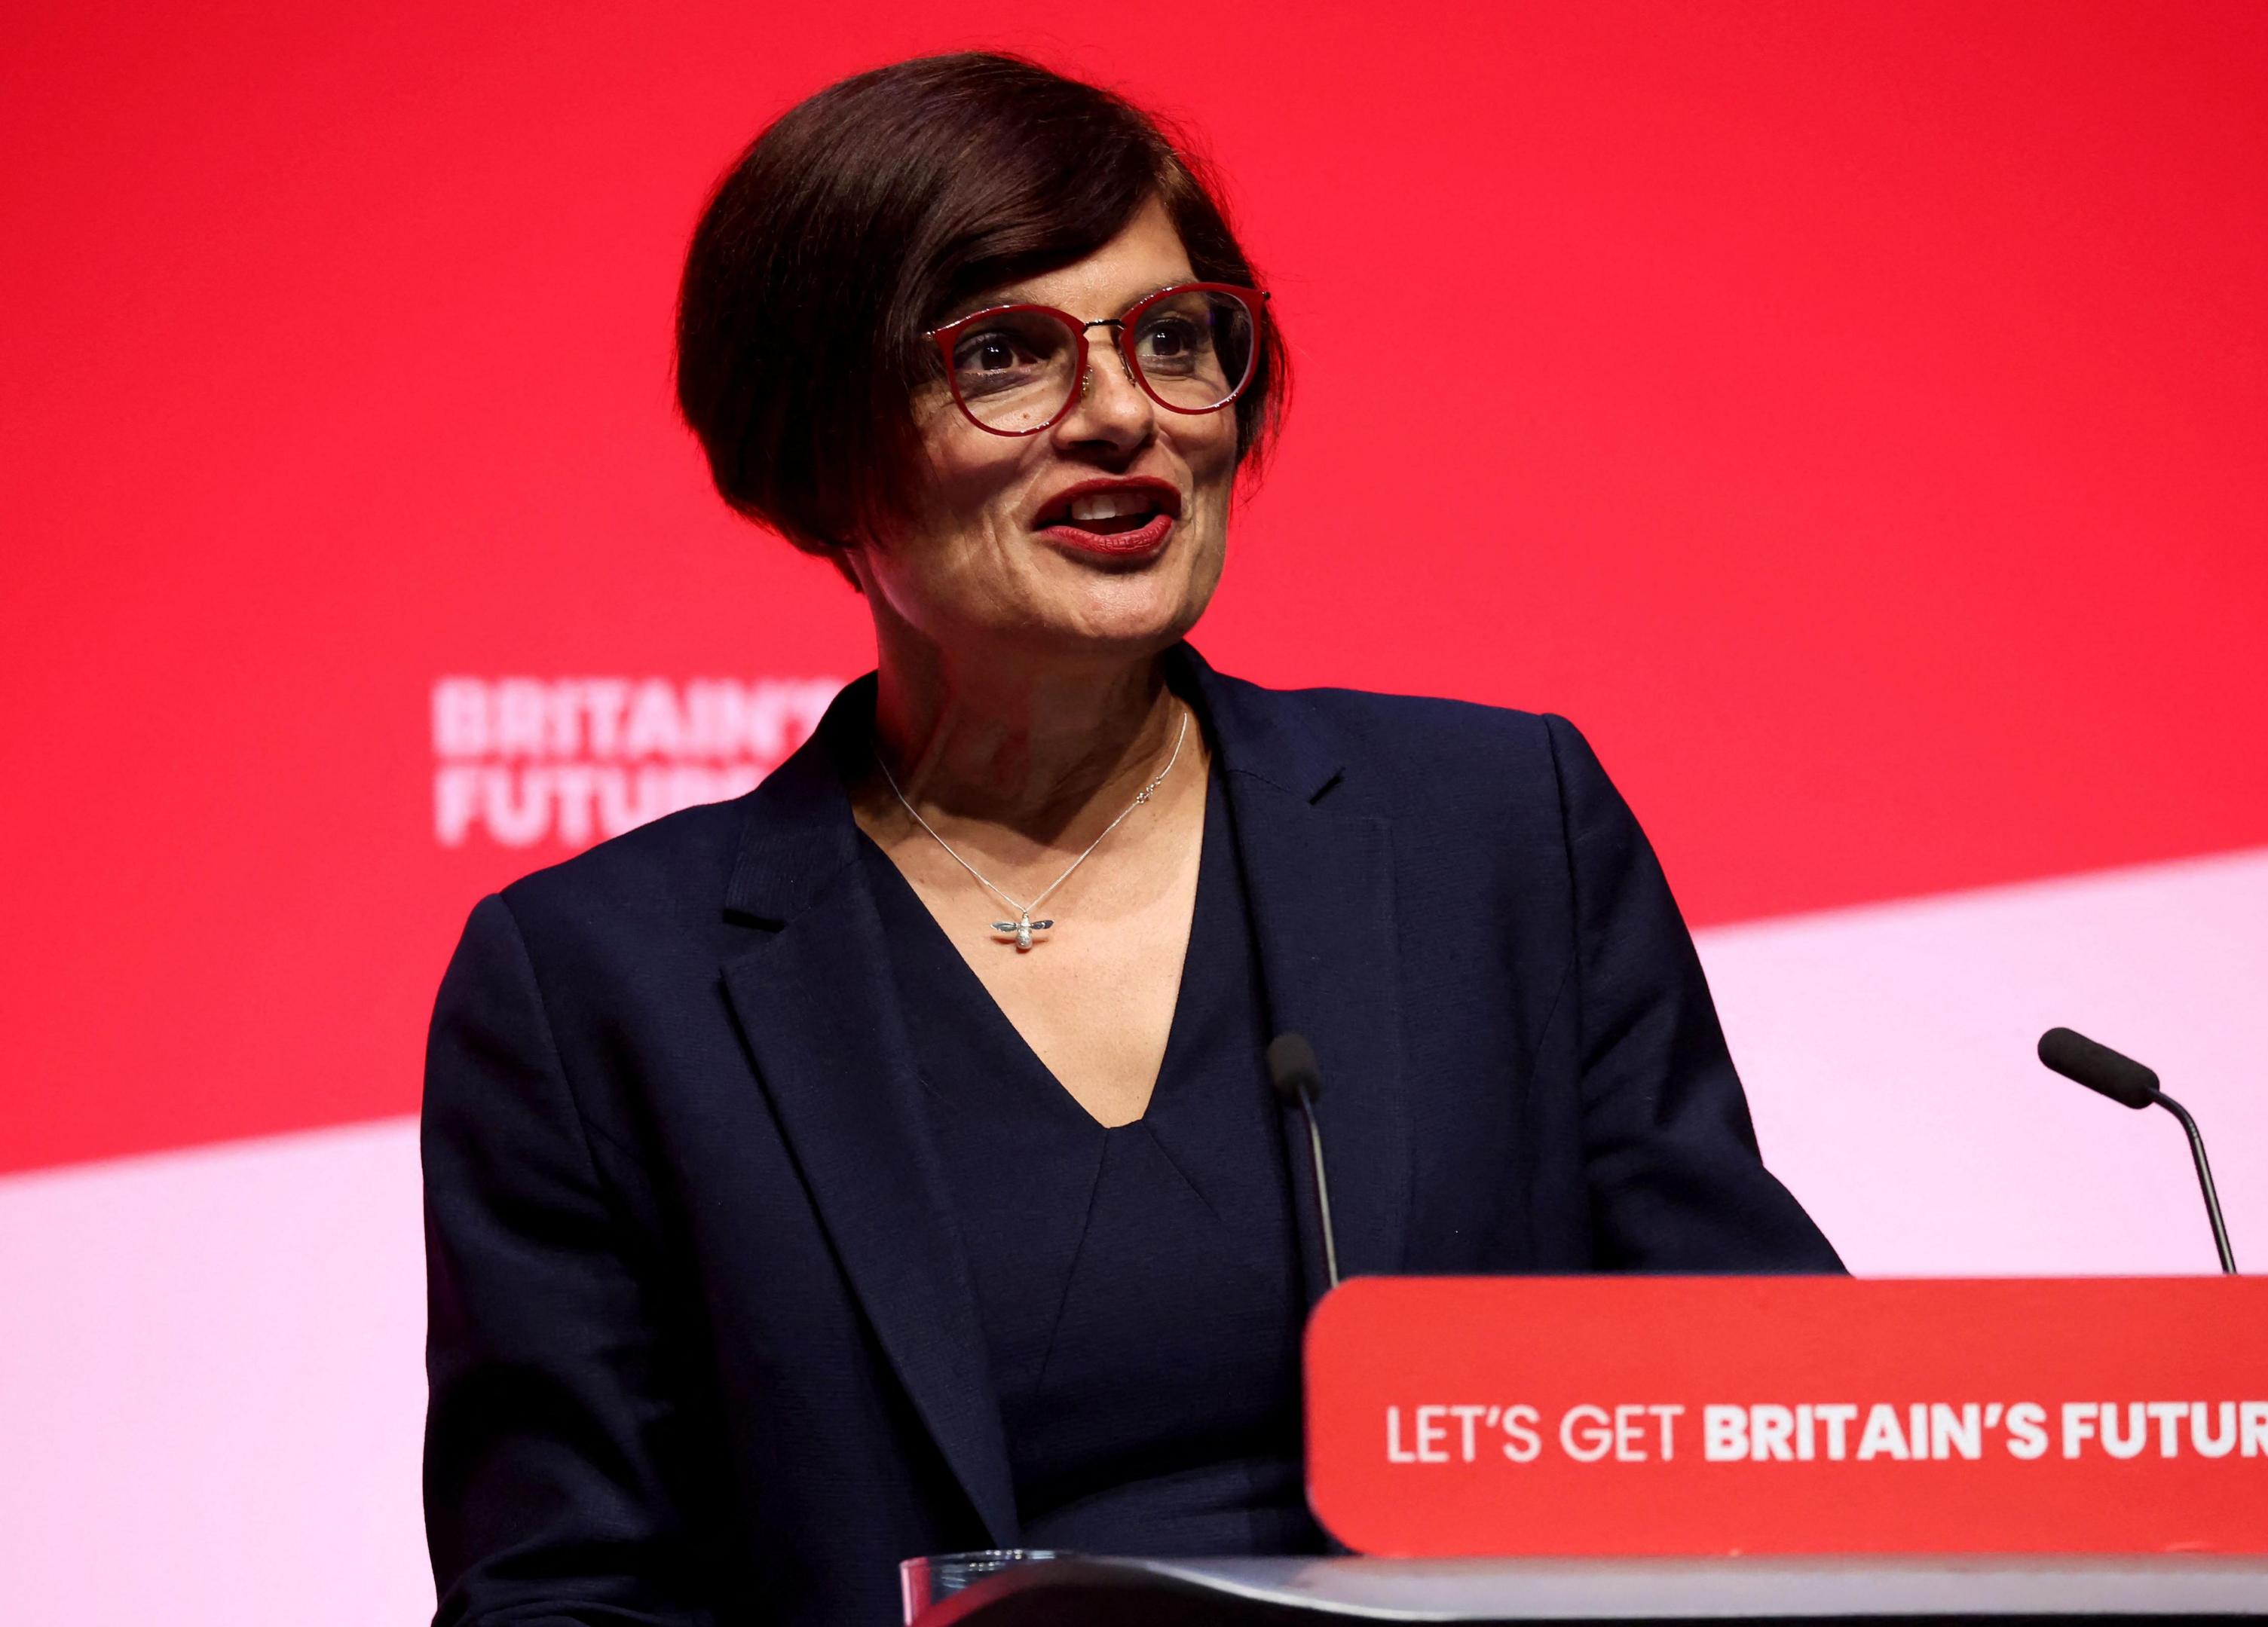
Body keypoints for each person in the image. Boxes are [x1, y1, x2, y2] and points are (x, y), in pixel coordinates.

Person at [420, 50, 1840, 1627]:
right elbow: (564, 1593)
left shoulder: (1499, 835)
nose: (1125, 416)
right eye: (1008, 356)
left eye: (1177, 338)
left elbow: (1762, 1420)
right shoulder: (603, 990)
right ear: (820, 448)